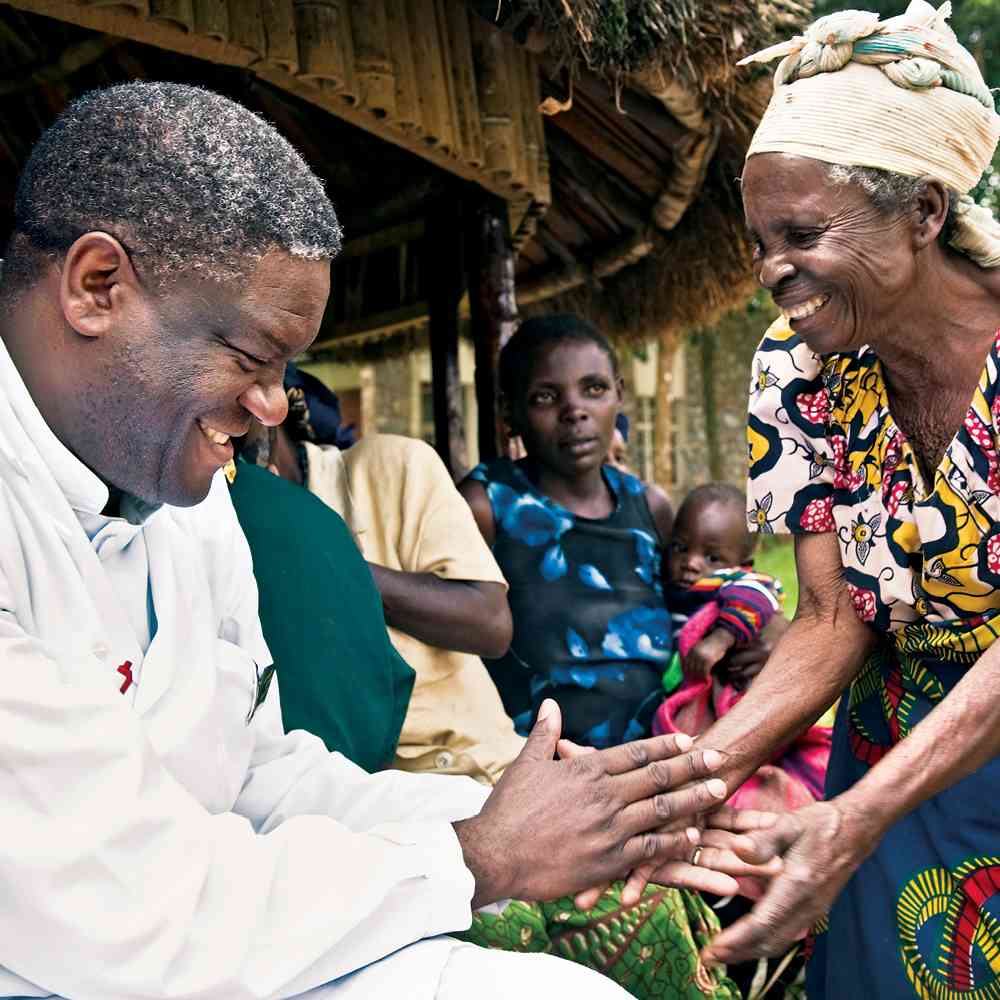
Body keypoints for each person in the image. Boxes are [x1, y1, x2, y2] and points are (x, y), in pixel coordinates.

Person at [0, 81, 739, 1000]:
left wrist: (556, 816)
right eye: (251, 359)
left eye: (285, 370)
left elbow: (257, 775)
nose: (277, 407)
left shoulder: (192, 499)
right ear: (97, 287)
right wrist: (479, 856)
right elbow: (126, 918)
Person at [628, 4, 1000, 997]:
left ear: (922, 212)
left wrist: (862, 811)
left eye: (800, 233)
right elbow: (833, 613)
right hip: (890, 747)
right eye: (756, 240)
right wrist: (690, 782)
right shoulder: (796, 370)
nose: (768, 271)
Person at [258, 365, 526, 784]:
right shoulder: (218, 526)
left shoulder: (392, 466)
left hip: (480, 771)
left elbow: (489, 623)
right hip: (352, 802)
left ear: (272, 403)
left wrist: (319, 561)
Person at [460, 314, 676, 749]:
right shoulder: (486, 505)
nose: (574, 411)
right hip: (531, 773)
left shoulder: (650, 508)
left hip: (653, 759)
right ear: (511, 412)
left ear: (619, 393)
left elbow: (699, 605)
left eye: (593, 389)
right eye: (545, 397)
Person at [228, 456, 416, 772]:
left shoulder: (190, 511)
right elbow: (392, 689)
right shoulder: (314, 517)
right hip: (349, 795)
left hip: (235, 803)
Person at [653, 483, 831, 814]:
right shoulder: (673, 589)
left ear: (743, 563)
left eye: (711, 556)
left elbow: (760, 593)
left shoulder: (733, 582)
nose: (690, 563)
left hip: (735, 699)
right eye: (679, 547)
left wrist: (719, 640)